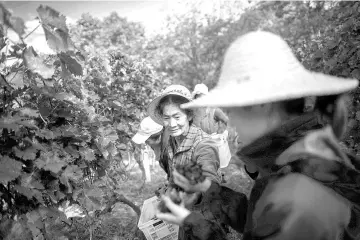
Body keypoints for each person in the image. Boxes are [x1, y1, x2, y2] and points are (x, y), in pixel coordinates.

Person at [156, 31, 360, 240]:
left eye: (234, 110)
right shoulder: (305, 155)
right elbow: (260, 221)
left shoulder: (293, 190)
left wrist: (191, 221)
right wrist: (209, 188)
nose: (232, 121)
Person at [147, 85, 230, 240]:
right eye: (166, 118)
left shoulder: (203, 144)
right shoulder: (173, 141)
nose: (171, 124)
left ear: (189, 115)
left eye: (177, 117)